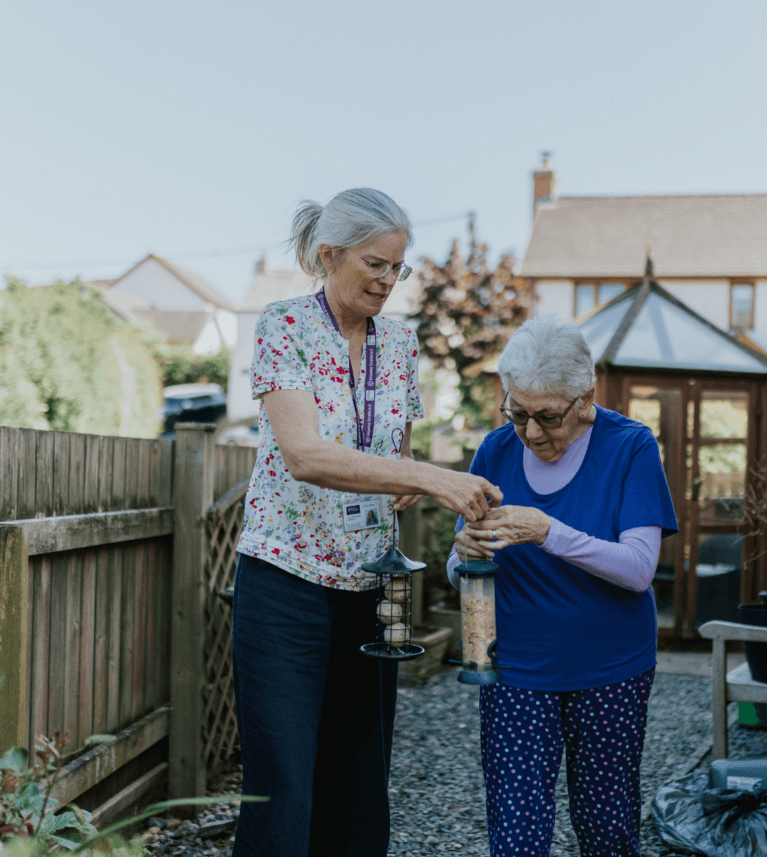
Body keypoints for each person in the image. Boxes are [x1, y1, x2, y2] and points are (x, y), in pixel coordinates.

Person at [232, 188, 502, 857]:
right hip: (284, 586)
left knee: (359, 786)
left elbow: (394, 454)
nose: (386, 279)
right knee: (285, 785)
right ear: (330, 255)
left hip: (370, 593)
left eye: (397, 267)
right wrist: (429, 478)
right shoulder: (284, 325)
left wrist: (408, 479)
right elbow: (305, 455)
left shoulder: (402, 345)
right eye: (374, 263)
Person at [448, 314, 678, 857]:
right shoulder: (495, 451)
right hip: (514, 669)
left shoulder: (631, 448)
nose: (530, 431)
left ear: (584, 399)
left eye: (547, 416)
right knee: (518, 831)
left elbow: (639, 568)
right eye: (518, 411)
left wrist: (548, 532)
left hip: (610, 669)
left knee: (606, 827)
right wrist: (460, 556)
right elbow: (461, 568)